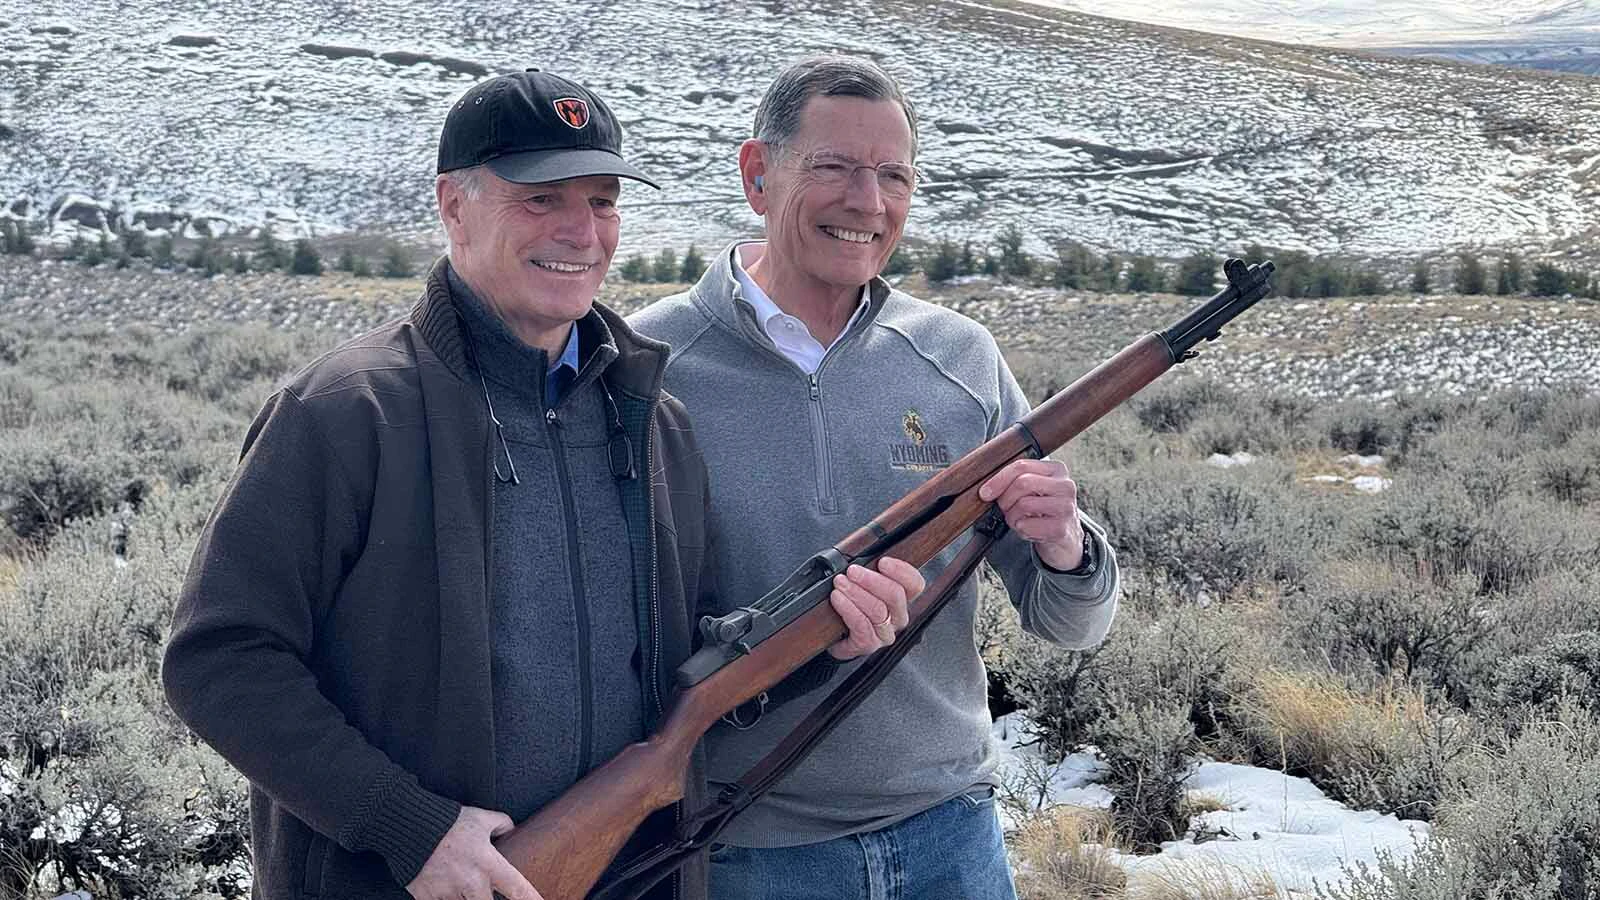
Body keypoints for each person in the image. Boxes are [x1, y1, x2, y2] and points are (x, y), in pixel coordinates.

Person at [161, 68, 921, 900]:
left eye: (601, 202)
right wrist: (410, 832)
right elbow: (220, 659)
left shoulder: (652, 420)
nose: (581, 231)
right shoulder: (345, 411)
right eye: (540, 198)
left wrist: (816, 646)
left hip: (631, 880)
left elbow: (688, 663)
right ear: (454, 205)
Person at [628, 55, 1122, 899]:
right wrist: (788, 646)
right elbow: (607, 641)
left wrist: (1069, 549)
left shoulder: (961, 357)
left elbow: (1070, 625)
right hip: (746, 851)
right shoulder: (646, 367)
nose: (868, 202)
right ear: (758, 174)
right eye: (835, 168)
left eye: (894, 175)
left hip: (953, 838)